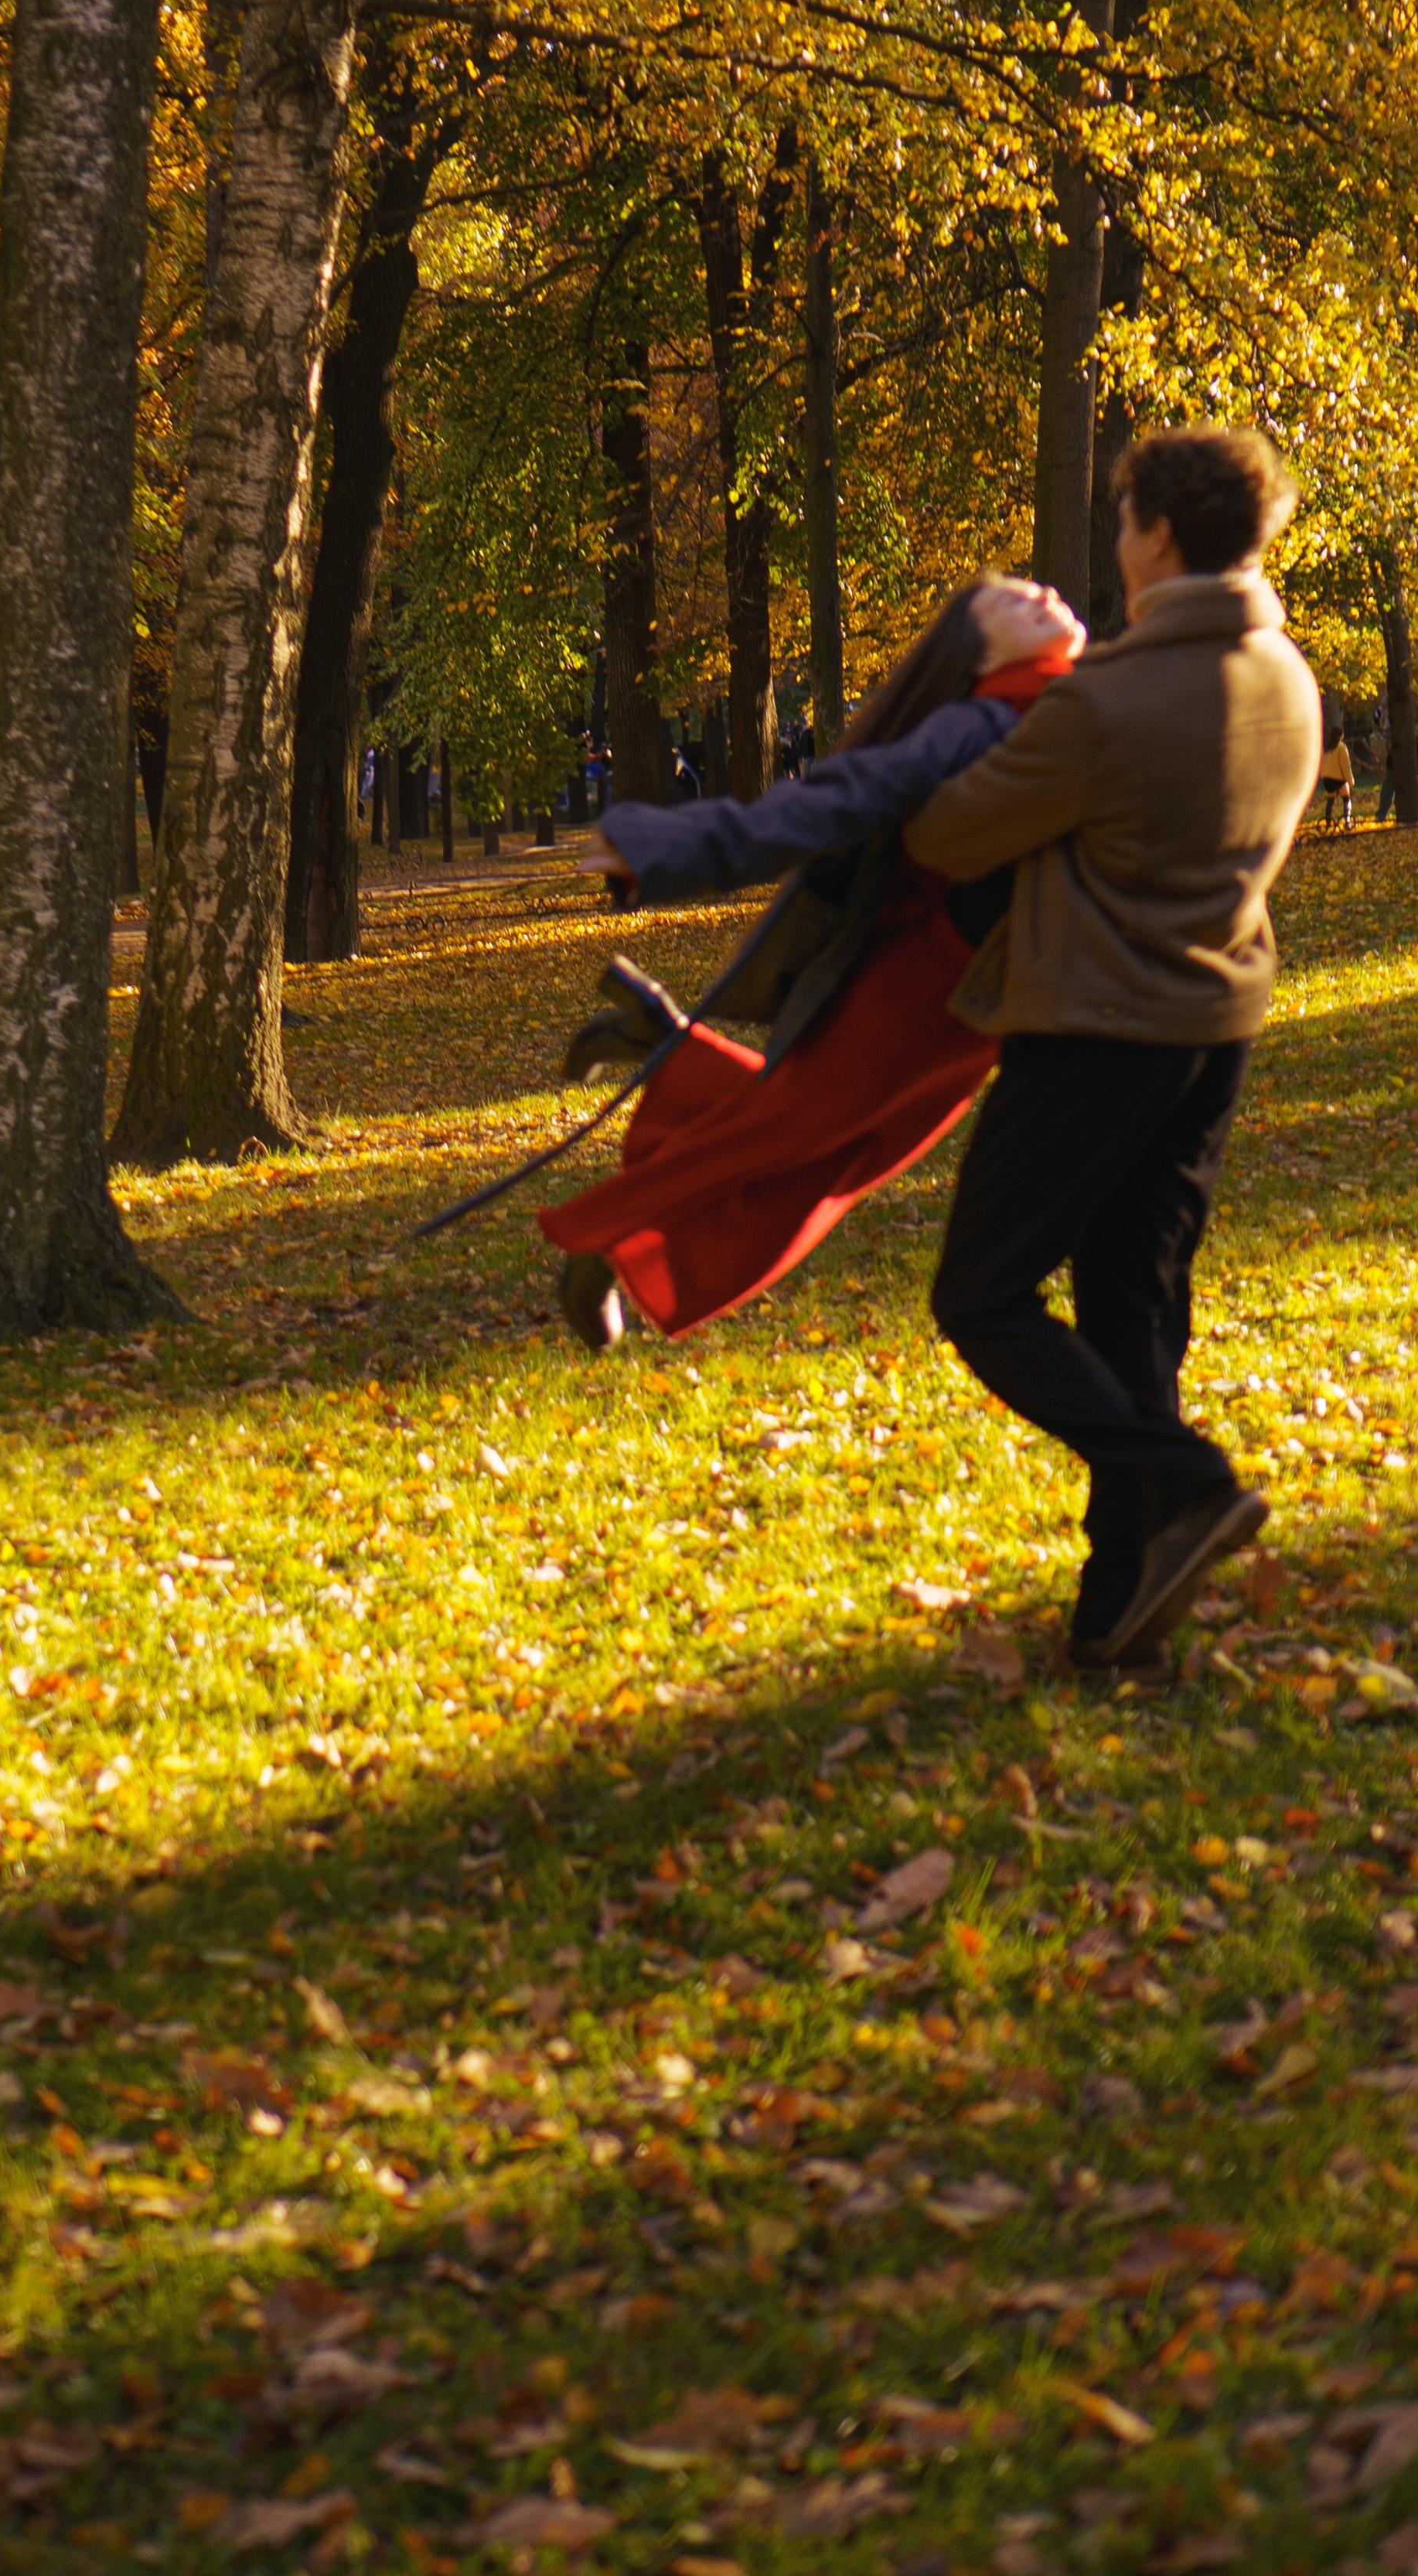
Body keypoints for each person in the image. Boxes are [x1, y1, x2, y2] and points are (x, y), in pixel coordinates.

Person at [905, 425, 1321, 1674]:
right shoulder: (1288, 679)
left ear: (1157, 536)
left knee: (981, 1292)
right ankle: (1120, 1603)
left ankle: (1184, 1483)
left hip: (1094, 1030)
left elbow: (949, 835)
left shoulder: (1110, 701)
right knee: (1132, 1306)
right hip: (1215, 1028)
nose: (1118, 537)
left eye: (1125, 517)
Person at [540, 575, 1082, 1349]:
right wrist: (673, 846)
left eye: (1041, 591)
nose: (1043, 597)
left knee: (822, 1148)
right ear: (979, 648)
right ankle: (603, 1234)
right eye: (1011, 601)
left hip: (975, 1000)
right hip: (923, 989)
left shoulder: (1077, 706)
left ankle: (656, 1043)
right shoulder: (986, 719)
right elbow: (841, 797)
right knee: (793, 1144)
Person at [1318, 728, 1354, 831]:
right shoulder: (1341, 747)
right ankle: (1347, 820)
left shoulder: (1326, 748)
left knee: (1330, 800)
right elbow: (1346, 765)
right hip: (1339, 779)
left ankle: (1328, 822)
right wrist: (1350, 780)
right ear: (1341, 735)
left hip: (1327, 779)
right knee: (1346, 799)